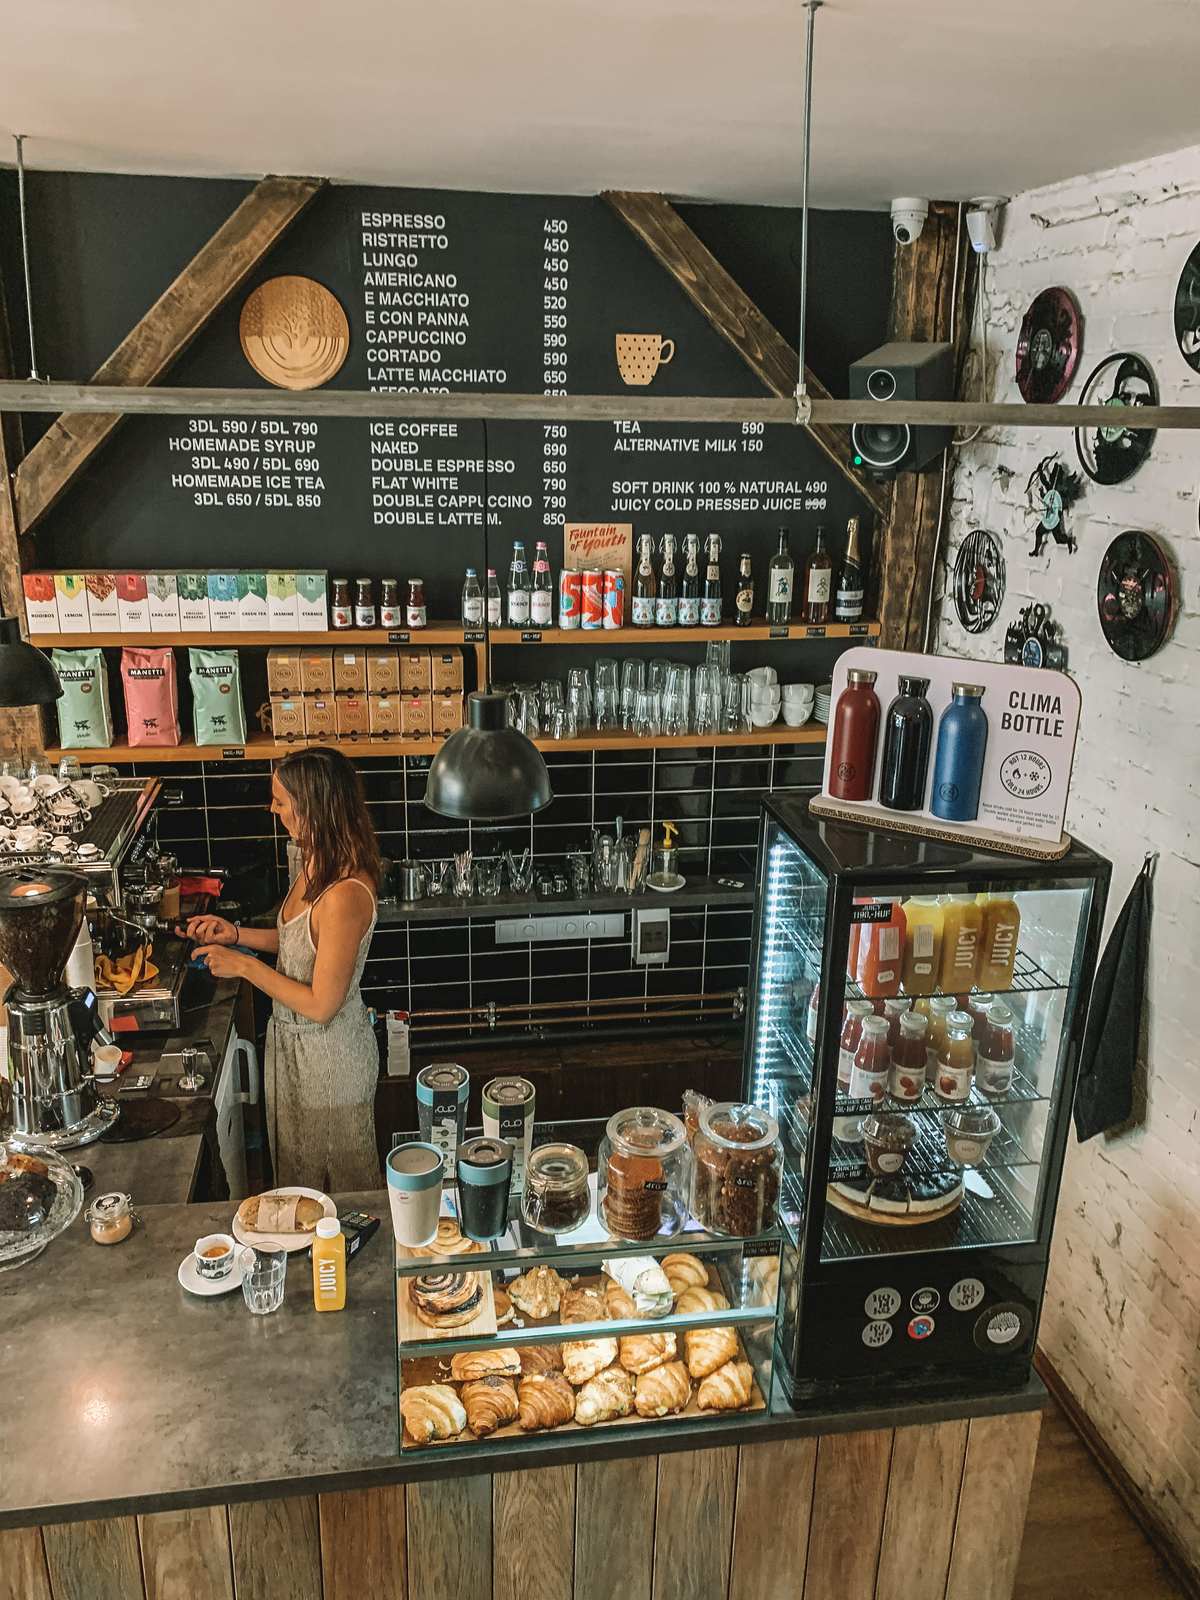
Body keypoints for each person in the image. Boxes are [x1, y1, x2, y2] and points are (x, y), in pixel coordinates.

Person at [182, 746, 381, 1192]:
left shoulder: (345, 893)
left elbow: (322, 1004)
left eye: (281, 801)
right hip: (295, 1052)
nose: (272, 809)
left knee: (342, 1191)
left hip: (330, 1063)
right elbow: (300, 944)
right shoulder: (314, 859)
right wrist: (236, 936)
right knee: (301, 1180)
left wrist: (244, 968)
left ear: (312, 808)